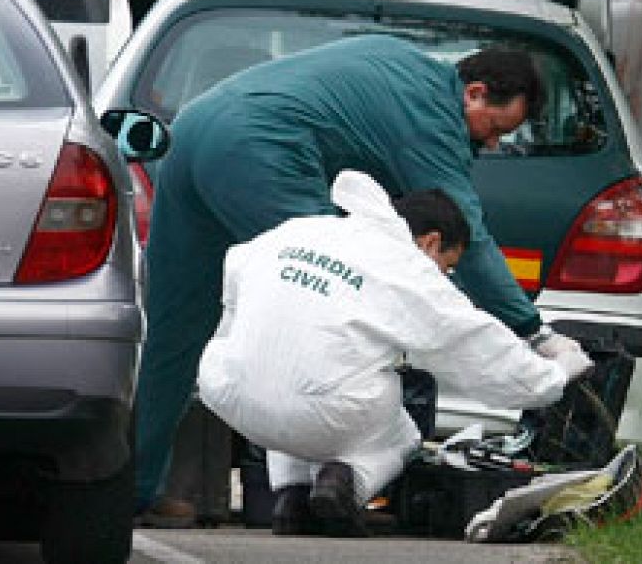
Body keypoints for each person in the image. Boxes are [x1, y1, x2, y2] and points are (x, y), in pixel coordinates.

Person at [132, 37, 586, 511]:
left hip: (191, 130)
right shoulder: (435, 117)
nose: (492, 144)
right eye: (495, 128)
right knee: (317, 299)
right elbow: (469, 238)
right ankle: (307, 485)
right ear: (473, 93)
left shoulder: (401, 64)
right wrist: (533, 332)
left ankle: (132, 491)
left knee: (173, 334)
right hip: (260, 147)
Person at [197, 173, 589, 537]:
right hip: (324, 410)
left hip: (230, 392)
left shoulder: (300, 230)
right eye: (448, 267)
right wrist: (554, 375)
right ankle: (345, 482)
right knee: (399, 430)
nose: (444, 276)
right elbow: (476, 344)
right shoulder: (408, 269)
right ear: (431, 242)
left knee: (285, 372)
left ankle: (291, 498)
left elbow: (236, 266)